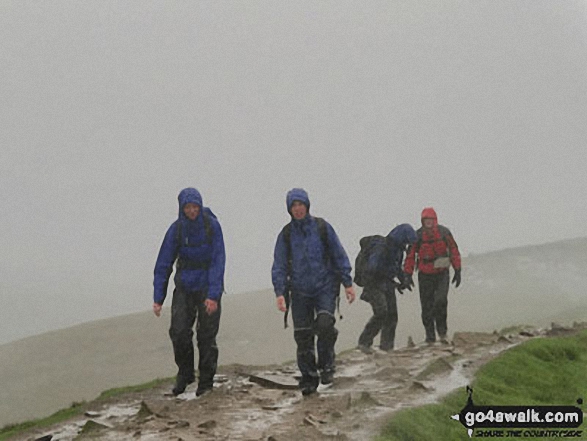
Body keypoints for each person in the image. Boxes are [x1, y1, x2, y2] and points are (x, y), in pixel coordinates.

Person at [272, 188, 356, 396]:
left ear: (307, 205)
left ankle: (327, 366)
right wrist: (280, 292)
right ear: (289, 209)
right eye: (294, 206)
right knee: (303, 336)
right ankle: (309, 378)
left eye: (301, 204)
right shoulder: (286, 234)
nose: (298, 209)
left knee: (325, 324)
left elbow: (338, 253)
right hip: (299, 291)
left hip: (325, 286)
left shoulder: (322, 227)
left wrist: (347, 283)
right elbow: (280, 265)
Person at [153, 187, 226, 396]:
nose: (192, 211)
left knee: (206, 336)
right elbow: (163, 263)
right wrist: (158, 297)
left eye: (195, 207)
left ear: (200, 206)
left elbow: (218, 261)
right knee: (178, 331)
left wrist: (213, 295)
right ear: (181, 208)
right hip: (184, 287)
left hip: (207, 286)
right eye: (188, 207)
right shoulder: (176, 230)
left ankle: (206, 382)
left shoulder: (212, 226)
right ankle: (185, 373)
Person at [403, 207, 461, 344]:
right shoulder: (416, 236)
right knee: (426, 307)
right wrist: (407, 274)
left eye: (430, 220)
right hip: (424, 274)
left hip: (442, 273)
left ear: (435, 220)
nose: (428, 222)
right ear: (422, 221)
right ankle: (430, 337)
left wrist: (458, 269)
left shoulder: (444, 232)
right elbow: (410, 256)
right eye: (426, 220)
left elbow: (453, 250)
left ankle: (442, 333)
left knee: (441, 301)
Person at [357, 224, 417, 353]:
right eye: (407, 242)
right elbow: (372, 269)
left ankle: (387, 346)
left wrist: (403, 280)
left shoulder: (397, 250)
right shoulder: (381, 247)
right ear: (402, 238)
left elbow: (396, 267)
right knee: (381, 312)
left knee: (392, 315)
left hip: (386, 283)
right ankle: (364, 343)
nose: (408, 246)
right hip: (374, 283)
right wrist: (370, 287)